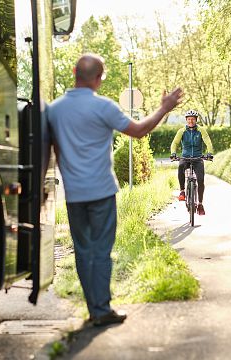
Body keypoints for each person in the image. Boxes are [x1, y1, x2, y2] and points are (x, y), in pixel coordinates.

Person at [48, 53, 183, 326]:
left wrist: (41, 185)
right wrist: (163, 108)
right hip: (101, 192)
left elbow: (47, 151)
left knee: (83, 251)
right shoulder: (104, 107)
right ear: (99, 78)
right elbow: (138, 130)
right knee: (101, 251)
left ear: (74, 72)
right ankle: (101, 310)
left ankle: (94, 309)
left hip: (74, 195)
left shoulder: (54, 110)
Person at [170, 110, 213, 215]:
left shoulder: (201, 130)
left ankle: (200, 204)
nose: (191, 121)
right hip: (185, 157)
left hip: (198, 158)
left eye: (193, 119)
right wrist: (173, 153)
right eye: (189, 119)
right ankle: (182, 191)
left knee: (201, 180)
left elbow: (208, 141)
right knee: (180, 167)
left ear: (196, 120)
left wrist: (209, 153)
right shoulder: (182, 131)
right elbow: (175, 143)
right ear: (186, 120)